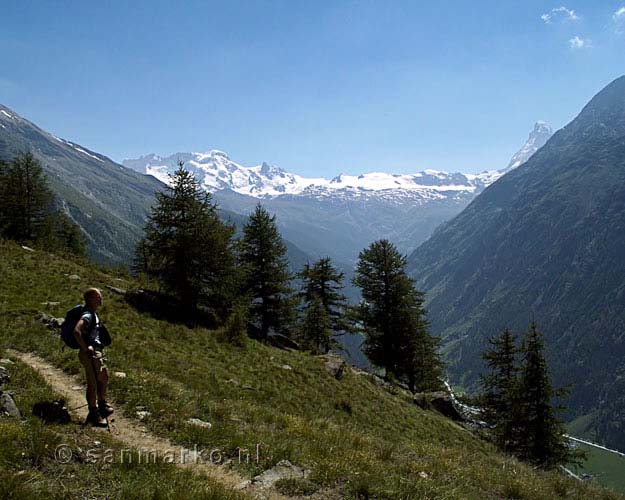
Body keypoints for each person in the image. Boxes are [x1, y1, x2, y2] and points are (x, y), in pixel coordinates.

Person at [73, 288, 113, 426]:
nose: (101, 298)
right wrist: (86, 347)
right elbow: (77, 331)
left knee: (102, 377)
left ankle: (99, 407)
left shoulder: (93, 314)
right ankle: (96, 411)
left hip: (95, 351)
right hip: (91, 352)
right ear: (91, 299)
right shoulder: (88, 315)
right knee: (95, 381)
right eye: (98, 296)